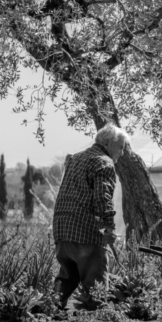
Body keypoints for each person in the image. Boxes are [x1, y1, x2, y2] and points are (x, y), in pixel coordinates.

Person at [52, 123, 128, 311]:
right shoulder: (104, 161)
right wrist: (109, 228)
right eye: (121, 147)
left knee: (67, 279)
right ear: (110, 143)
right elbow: (102, 197)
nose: (122, 153)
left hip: (62, 230)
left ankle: (46, 311)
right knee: (97, 287)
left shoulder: (76, 158)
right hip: (85, 232)